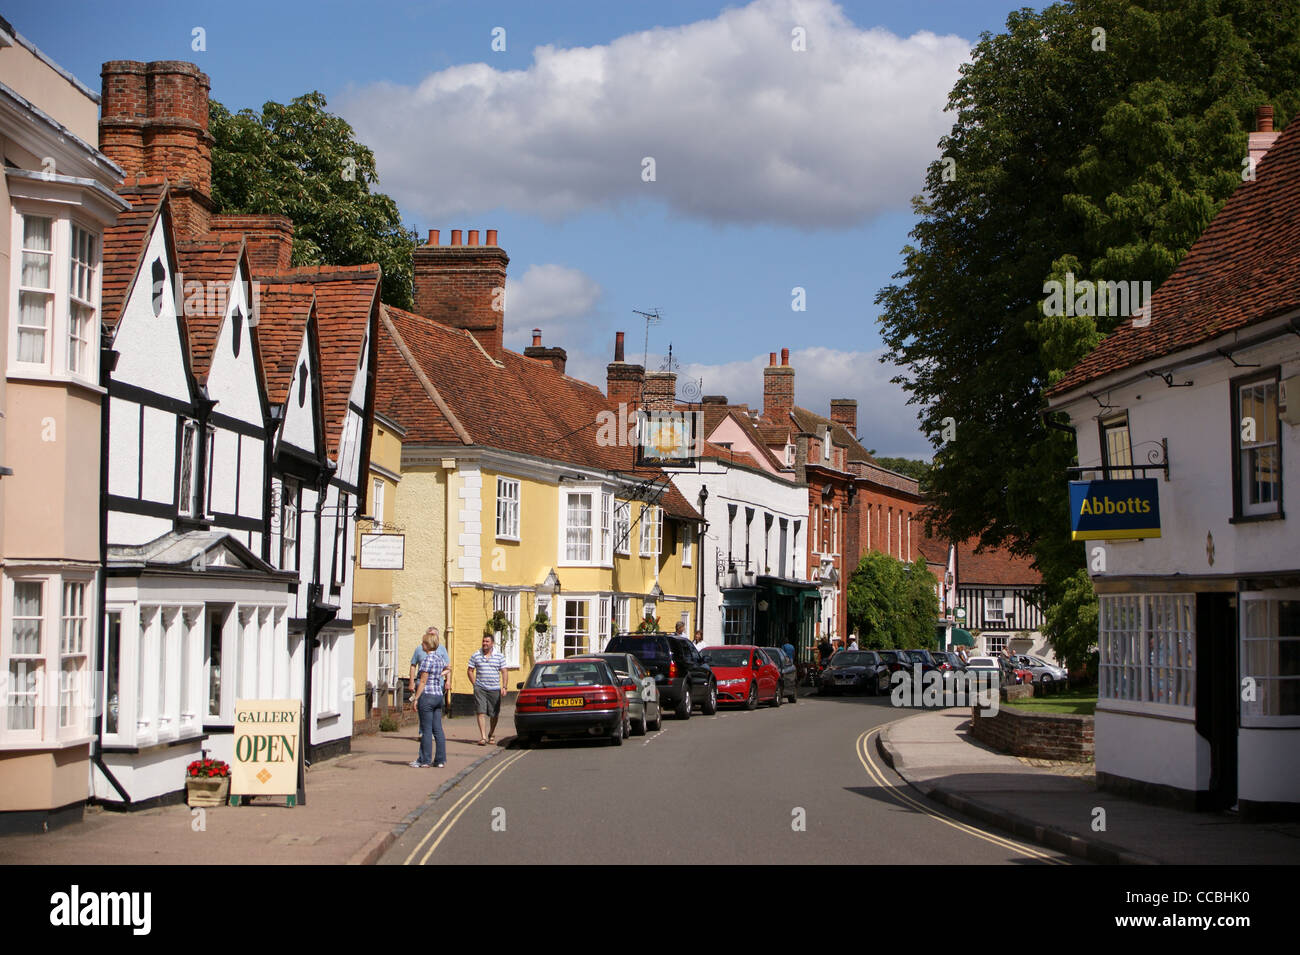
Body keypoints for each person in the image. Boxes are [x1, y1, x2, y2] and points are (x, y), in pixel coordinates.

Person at [409, 628, 450, 768]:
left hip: (427, 696)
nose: (422, 645)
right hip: (438, 695)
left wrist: (416, 698)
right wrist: (439, 675)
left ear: (427, 645)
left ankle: (424, 760)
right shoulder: (439, 659)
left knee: (426, 730)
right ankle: (440, 760)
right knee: (438, 729)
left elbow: (423, 681)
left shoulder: (427, 660)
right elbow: (448, 668)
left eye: (423, 643)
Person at [468, 633, 510, 745]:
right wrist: (475, 684)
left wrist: (504, 687)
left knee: (494, 714)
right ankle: (483, 737)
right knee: (480, 712)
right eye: (483, 641)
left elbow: (504, 671)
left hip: (495, 688)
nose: (484, 643)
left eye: (487, 641)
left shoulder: (499, 656)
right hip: (480, 688)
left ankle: (491, 733)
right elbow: (470, 670)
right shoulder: (476, 655)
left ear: (492, 643)